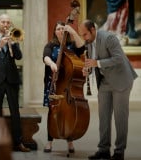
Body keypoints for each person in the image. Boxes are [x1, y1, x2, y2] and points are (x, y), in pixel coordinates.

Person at [79, 19, 138, 160]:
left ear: (93, 29)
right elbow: (93, 63)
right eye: (82, 35)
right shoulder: (88, 44)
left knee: (120, 118)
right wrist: (88, 70)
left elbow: (118, 58)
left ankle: (119, 152)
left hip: (121, 80)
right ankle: (103, 149)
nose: (84, 38)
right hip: (105, 82)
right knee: (103, 116)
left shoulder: (109, 38)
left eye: (85, 34)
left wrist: (97, 63)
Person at [0, 13, 30, 152]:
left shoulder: (13, 37)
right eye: (3, 22)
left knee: (15, 111)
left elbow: (19, 56)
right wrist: (0, 45)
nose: (5, 24)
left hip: (12, 79)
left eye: (8, 22)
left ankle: (18, 142)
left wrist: (13, 44)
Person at [42, 21, 85, 153]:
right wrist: (51, 64)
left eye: (62, 28)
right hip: (54, 84)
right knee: (53, 111)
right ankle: (49, 142)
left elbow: (82, 48)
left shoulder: (71, 46)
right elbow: (46, 57)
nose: (60, 30)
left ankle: (70, 141)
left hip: (68, 87)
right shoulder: (51, 45)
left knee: (69, 111)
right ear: (55, 31)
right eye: (58, 28)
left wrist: (73, 32)